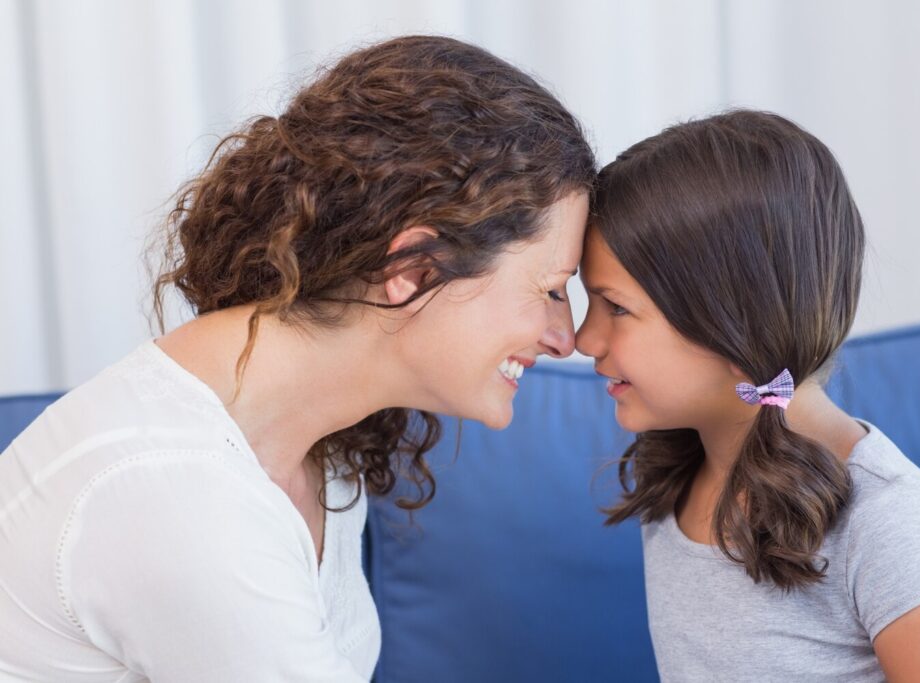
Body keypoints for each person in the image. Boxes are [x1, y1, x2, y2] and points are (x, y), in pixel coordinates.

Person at [0, 35, 595, 681]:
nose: (567, 337)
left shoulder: (314, 440)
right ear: (415, 269)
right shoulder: (186, 499)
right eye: (551, 288)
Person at [576, 110, 920, 681]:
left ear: (731, 319)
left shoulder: (888, 521)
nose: (584, 339)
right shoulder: (678, 475)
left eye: (617, 308)